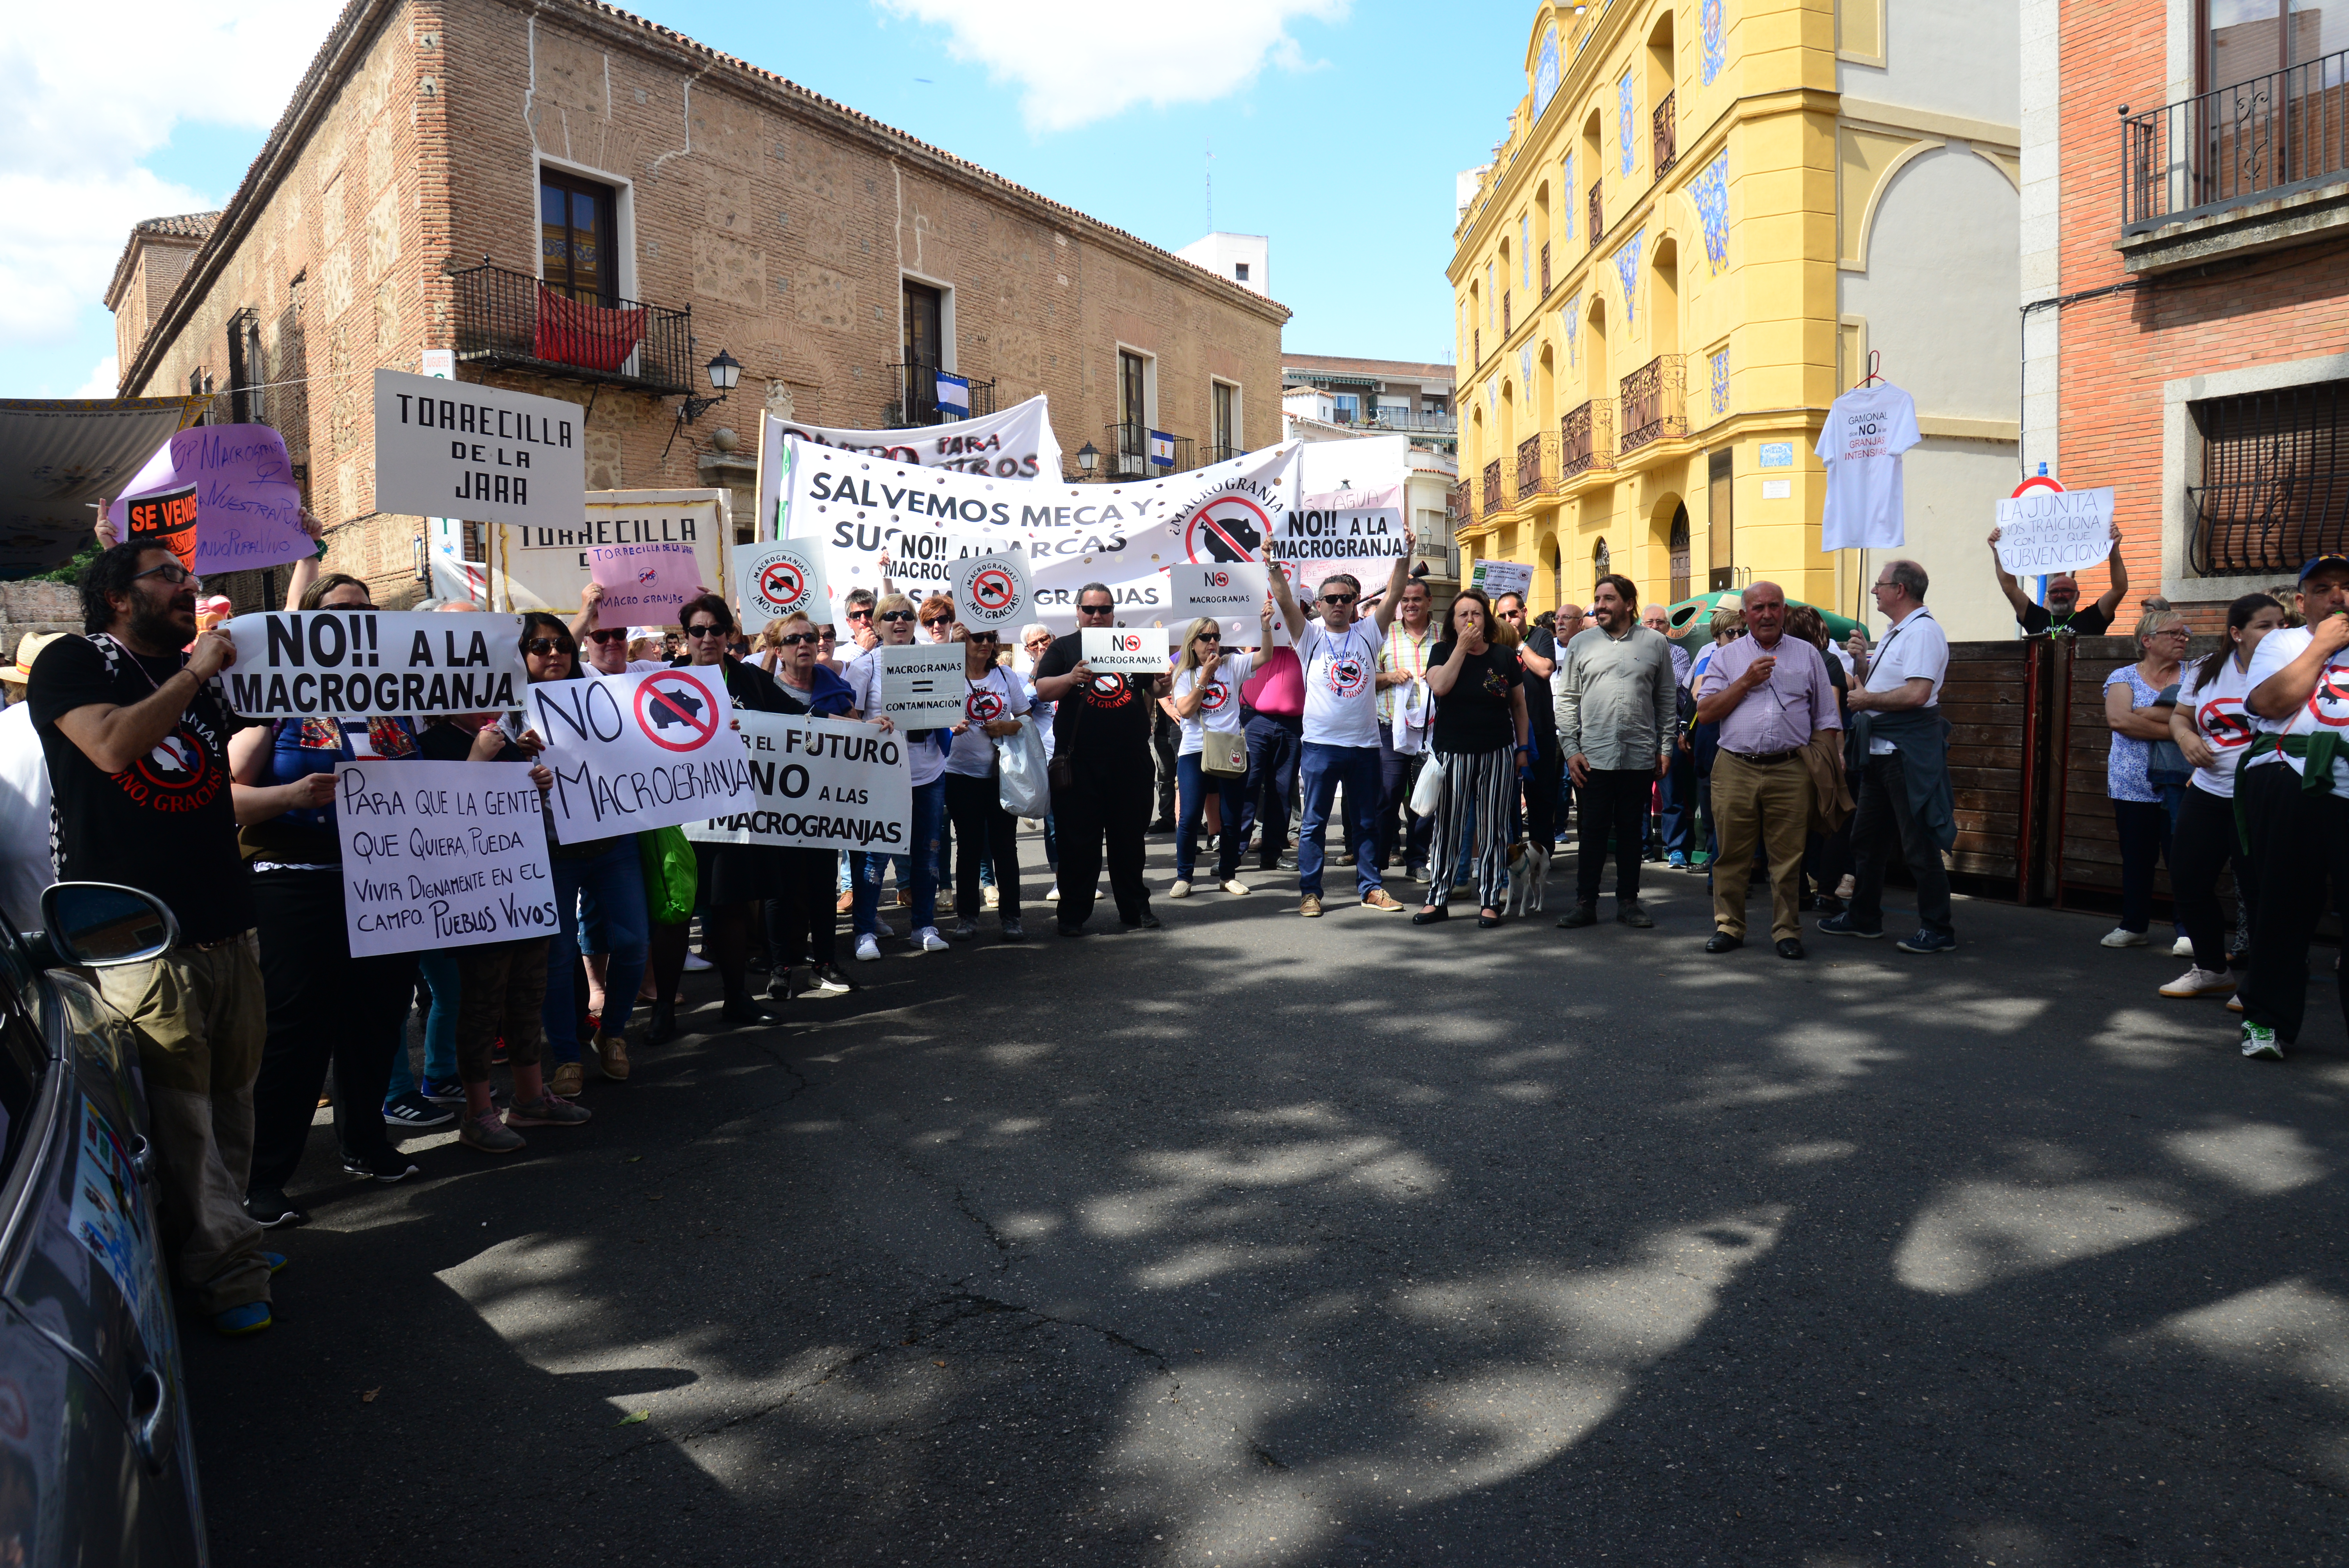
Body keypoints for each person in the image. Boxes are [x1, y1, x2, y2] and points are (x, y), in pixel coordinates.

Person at [29, 542, 278, 1333]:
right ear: (115, 597)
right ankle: (227, 1276)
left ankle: (219, 1236)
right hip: (137, 933)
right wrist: (198, 673)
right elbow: (111, 745)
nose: (188, 586)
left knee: (234, 1097)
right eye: (167, 575)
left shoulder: (196, 682)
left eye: (188, 576)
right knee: (180, 1110)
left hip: (226, 921)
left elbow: (216, 790)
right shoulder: (74, 663)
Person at [233, 569, 428, 1236]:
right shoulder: (275, 699)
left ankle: (365, 1142)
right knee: (298, 1029)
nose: (355, 621)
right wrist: (290, 797)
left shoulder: (398, 699)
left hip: (384, 879)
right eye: (339, 611)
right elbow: (224, 792)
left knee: (377, 1017)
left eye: (366, 612)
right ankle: (264, 1175)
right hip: (297, 878)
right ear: (309, 626)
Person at [414, 688, 588, 1153]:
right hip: (475, 895)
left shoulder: (505, 741)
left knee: (527, 992)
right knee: (482, 1001)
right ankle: (477, 1113)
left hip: (524, 883)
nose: (481, 696)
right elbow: (430, 820)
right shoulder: (429, 746)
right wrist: (476, 760)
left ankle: (531, 1098)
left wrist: (537, 784)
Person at [509, 613, 650, 1093]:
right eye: (540, 645)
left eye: (560, 644)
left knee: (633, 942)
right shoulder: (508, 711)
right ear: (522, 655)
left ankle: (611, 1034)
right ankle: (567, 1054)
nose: (554, 652)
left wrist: (714, 739)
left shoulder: (605, 694)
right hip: (551, 851)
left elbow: (653, 740)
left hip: (613, 843)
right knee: (559, 954)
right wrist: (515, 758)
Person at [2235, 554, 2349, 1061]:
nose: (2338, 596)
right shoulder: (2284, 642)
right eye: (2324, 589)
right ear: (2302, 602)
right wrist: (2323, 647)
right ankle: (2267, 1023)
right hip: (2289, 780)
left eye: (2346, 587)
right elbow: (2269, 704)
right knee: (2283, 908)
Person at [1693, 581, 1842, 959]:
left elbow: (1827, 715)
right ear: (1744, 616)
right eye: (1758, 608)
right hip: (1735, 768)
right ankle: (1729, 926)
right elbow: (1706, 712)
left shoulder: (1808, 655)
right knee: (1730, 854)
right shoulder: (1726, 658)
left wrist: (1830, 761)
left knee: (1788, 858)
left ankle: (1787, 931)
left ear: (1784, 611)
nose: (1767, 614)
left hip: (1791, 769)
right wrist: (1745, 682)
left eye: (1774, 606)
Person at [1267, 539, 1415, 918]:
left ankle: (1371, 887)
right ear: (1318, 604)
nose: (1337, 603)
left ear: (1354, 602)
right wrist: (1271, 566)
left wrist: (1403, 554)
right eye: (1329, 598)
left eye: (1345, 597)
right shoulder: (1309, 634)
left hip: (1364, 746)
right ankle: (1310, 893)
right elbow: (1285, 601)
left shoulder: (1367, 631)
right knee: (1314, 823)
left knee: (1367, 822)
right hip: (1320, 746)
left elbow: (1396, 590)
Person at [1821, 559, 1957, 953]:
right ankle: (1864, 916)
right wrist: (1863, 663)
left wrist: (1865, 698)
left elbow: (1916, 694)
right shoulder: (1901, 632)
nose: (1874, 591)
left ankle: (1938, 928)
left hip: (1904, 753)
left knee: (1918, 842)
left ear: (1900, 590)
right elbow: (1888, 687)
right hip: (1883, 753)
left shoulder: (1922, 633)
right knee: (1867, 839)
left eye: (1879, 585)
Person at [672, 593, 795, 1019]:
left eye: (716, 630)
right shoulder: (663, 683)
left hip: (731, 816)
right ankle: (664, 1012)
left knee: (729, 906)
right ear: (685, 636)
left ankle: (736, 997)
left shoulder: (750, 681)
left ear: (730, 635)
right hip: (678, 816)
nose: (707, 638)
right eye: (698, 630)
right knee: (675, 913)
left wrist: (863, 728)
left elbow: (799, 718)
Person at [2162, 593, 2283, 1002]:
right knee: (2187, 878)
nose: (2276, 632)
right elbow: (2179, 716)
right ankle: (2213, 969)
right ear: (2237, 633)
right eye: (2264, 625)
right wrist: (2186, 738)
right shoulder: (2204, 669)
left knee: (2259, 892)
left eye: (2281, 624)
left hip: (2261, 797)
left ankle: (2264, 983)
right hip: (2209, 791)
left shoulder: (2292, 670)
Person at [1031, 584, 1169, 935]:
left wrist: (1163, 683)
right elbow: (1043, 688)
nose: (1097, 616)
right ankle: (1074, 915)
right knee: (1079, 842)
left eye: (1104, 610)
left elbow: (1153, 690)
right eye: (1090, 610)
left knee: (1129, 840)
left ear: (1113, 613)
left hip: (1130, 760)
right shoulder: (1064, 647)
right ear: (1077, 611)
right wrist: (1071, 677)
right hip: (1080, 763)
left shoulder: (1131, 642)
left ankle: (1136, 908)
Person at [1554, 574, 1677, 930]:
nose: (1600, 606)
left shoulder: (1655, 643)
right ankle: (1585, 903)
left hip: (1639, 755)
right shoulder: (1581, 643)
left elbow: (1666, 700)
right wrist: (1570, 749)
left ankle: (1629, 902)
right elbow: (1567, 701)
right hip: (1592, 757)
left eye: (1608, 599)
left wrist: (1665, 747)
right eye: (1597, 599)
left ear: (1628, 603)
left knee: (1631, 833)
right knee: (1591, 833)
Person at [757, 611, 867, 984]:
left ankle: (824, 962)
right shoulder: (764, 691)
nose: (804, 644)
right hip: (779, 807)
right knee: (779, 890)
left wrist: (875, 731)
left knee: (823, 886)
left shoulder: (834, 686)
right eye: (792, 639)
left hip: (826, 804)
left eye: (809, 637)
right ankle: (780, 966)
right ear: (777, 650)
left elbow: (857, 732)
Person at [1414, 587, 1528, 928]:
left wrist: (1522, 750)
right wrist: (1461, 650)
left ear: (1486, 619)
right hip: (1453, 755)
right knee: (1448, 828)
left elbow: (1519, 707)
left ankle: (1490, 900)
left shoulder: (1505, 657)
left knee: (1493, 829)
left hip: (1498, 753)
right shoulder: (1442, 651)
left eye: (1476, 613)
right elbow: (1441, 687)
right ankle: (1438, 899)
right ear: (1452, 620)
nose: (1470, 619)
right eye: (1462, 614)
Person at [845, 592, 950, 957]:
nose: (900, 621)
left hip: (929, 771)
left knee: (928, 852)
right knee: (875, 853)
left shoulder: (935, 661)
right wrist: (870, 725)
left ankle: (923, 925)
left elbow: (948, 705)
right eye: (890, 616)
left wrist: (955, 722)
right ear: (877, 624)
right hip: (883, 775)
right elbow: (850, 718)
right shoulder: (866, 666)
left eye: (906, 615)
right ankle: (864, 931)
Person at [2098, 609, 2191, 950]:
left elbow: (2199, 719)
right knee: (2137, 858)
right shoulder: (2122, 676)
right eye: (2175, 633)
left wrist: (2148, 714)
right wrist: (2179, 729)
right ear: (2147, 641)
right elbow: (2120, 720)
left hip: (2184, 783)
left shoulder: (2195, 674)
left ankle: (2188, 930)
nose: (2183, 638)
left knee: (2184, 858)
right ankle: (2134, 925)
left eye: (2185, 634)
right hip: (2132, 785)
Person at [1166, 611, 1263, 898]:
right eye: (1206, 637)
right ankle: (1185, 877)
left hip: (1229, 748)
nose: (1212, 643)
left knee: (1231, 816)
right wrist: (1205, 677)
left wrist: (1266, 628)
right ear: (1193, 643)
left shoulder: (1232, 664)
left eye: (1217, 637)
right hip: (1195, 749)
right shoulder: (1184, 673)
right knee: (1189, 816)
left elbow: (1266, 656)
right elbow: (1185, 710)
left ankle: (1228, 875)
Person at [942, 623, 1028, 941]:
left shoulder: (1006, 676)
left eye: (991, 638)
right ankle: (967, 916)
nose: (986, 644)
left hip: (1000, 774)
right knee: (968, 845)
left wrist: (1006, 727)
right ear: (964, 640)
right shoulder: (948, 673)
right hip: (960, 774)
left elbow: (1027, 717)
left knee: (1006, 846)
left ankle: (1012, 916)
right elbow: (930, 714)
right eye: (978, 637)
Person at [1376, 578, 1440, 876]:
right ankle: (1377, 860)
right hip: (1391, 730)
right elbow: (1363, 679)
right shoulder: (1382, 635)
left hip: (1434, 733)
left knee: (1425, 796)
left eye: (1416, 600)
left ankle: (1417, 861)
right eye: (1405, 600)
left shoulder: (1446, 635)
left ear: (1429, 602)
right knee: (1388, 796)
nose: (1410, 605)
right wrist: (1389, 677)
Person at [1237, 625, 1304, 873]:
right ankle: (1233, 853)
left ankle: (1273, 853)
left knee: (1282, 791)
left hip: (1292, 724)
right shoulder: (1258, 630)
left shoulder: (1305, 634)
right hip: (1256, 721)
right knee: (1247, 787)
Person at [1497, 592, 1561, 856]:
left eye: (1512, 613)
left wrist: (1519, 645)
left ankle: (1542, 855)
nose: (1508, 619)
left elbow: (1545, 669)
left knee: (1542, 798)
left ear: (1524, 611)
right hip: (1509, 734)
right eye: (1502, 616)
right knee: (1509, 799)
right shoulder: (1497, 643)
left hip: (1541, 729)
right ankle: (1512, 855)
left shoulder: (1541, 637)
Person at [1989, 520, 2128, 636]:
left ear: (2078, 595)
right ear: (2048, 596)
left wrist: (2114, 548)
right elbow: (2009, 588)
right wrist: (1998, 551)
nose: (2060, 595)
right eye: (2054, 592)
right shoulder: (2036, 618)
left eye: (2066, 590)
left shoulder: (2091, 619)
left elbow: (2119, 590)